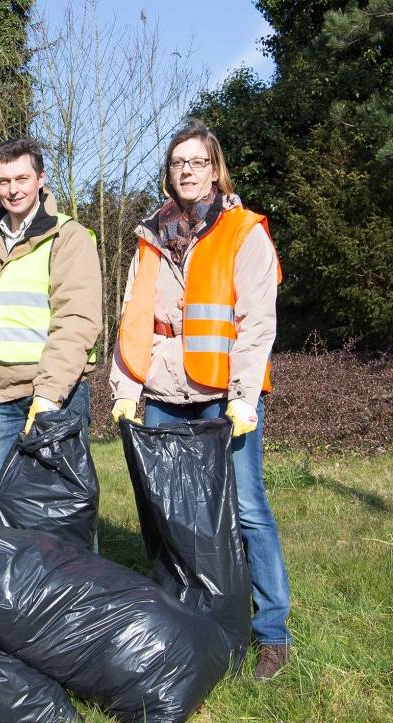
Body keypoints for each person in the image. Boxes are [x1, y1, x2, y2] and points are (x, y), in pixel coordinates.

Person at [109, 118, 291, 680]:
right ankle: (183, 619)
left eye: (197, 162)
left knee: (246, 510)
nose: (187, 171)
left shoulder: (244, 231)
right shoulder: (150, 236)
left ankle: (272, 632)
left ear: (215, 169)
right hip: (164, 390)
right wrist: (125, 387)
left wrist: (244, 398)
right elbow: (135, 317)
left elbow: (256, 324)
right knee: (170, 513)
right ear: (169, 172)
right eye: (178, 163)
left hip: (222, 398)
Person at [0, 137, 102, 522]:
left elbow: (78, 321)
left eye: (22, 178)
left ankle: (78, 583)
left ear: (41, 179)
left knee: (66, 514)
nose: (13, 189)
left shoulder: (68, 236)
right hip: (1, 401)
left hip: (58, 397)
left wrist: (49, 396)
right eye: (3, 181)